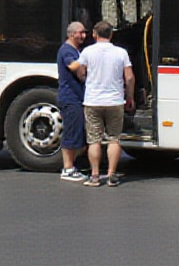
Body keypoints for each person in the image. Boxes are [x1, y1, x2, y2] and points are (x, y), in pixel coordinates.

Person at [78, 21, 135, 187]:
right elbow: (129, 77)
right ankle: (111, 175)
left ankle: (95, 176)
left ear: (95, 34)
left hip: (93, 101)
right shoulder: (121, 53)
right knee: (114, 139)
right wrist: (129, 97)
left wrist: (87, 80)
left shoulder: (87, 52)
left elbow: (81, 73)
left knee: (94, 140)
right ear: (111, 34)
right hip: (115, 101)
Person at [56, 21, 90, 182]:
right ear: (71, 34)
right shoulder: (67, 51)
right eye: (80, 32)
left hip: (78, 97)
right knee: (70, 133)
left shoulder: (76, 50)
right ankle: (67, 169)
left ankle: (75, 166)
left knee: (78, 133)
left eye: (84, 32)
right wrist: (88, 61)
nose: (83, 35)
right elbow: (73, 67)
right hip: (70, 98)